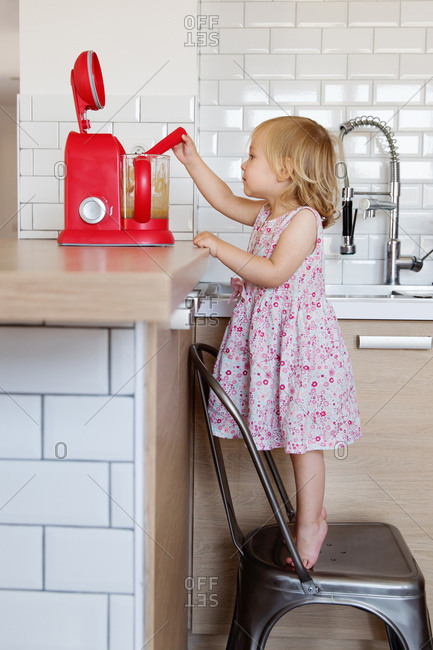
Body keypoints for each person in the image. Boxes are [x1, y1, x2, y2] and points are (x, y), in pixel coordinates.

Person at [173, 116, 361, 569]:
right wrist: (191, 160)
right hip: (274, 344)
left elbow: (273, 273)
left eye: (253, 155)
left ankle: (311, 522)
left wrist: (220, 247)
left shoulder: (303, 221)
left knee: (302, 440)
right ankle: (309, 515)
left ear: (286, 169)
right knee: (291, 436)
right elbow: (220, 198)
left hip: (301, 351)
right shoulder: (267, 213)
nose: (243, 164)